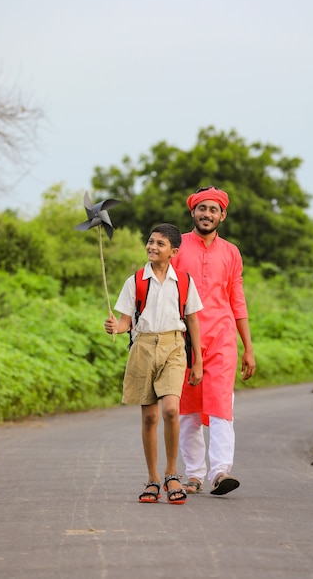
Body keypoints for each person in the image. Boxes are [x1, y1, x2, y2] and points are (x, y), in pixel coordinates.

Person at [104, 223, 203, 504]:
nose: (152, 247)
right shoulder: (135, 280)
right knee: (149, 416)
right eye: (150, 241)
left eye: (160, 244)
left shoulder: (184, 281)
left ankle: (172, 473)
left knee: (172, 409)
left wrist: (198, 361)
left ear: (173, 251)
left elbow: (192, 319)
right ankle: (153, 479)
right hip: (143, 347)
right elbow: (126, 321)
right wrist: (116, 327)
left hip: (174, 346)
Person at [171, 186, 256, 496]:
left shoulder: (231, 252)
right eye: (202, 208)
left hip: (222, 337)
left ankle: (221, 471)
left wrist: (248, 347)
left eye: (213, 209)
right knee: (188, 409)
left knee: (222, 405)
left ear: (223, 214)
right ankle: (193, 474)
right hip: (183, 339)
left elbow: (237, 299)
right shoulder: (177, 247)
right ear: (193, 212)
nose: (207, 214)